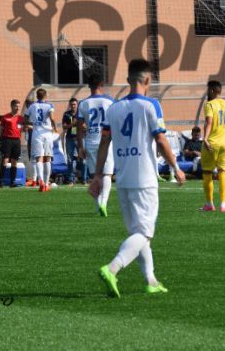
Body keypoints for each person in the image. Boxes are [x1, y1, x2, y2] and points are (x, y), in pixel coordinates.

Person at [91, 59, 185, 298]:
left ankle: (151, 281)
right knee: (144, 234)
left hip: (123, 179)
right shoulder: (151, 105)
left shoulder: (113, 108)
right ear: (148, 80)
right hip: (145, 179)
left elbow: (104, 142)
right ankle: (112, 268)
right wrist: (176, 167)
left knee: (139, 233)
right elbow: (161, 139)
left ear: (128, 80)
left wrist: (97, 175)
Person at [77, 75, 115, 216]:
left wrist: (80, 147)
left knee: (95, 175)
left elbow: (79, 128)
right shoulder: (110, 101)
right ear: (101, 84)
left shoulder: (83, 103)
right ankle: (104, 202)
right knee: (107, 174)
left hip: (91, 141)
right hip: (106, 140)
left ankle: (98, 205)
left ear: (89, 86)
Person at [201, 80, 225, 212]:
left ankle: (209, 204)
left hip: (212, 143)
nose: (207, 92)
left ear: (212, 90)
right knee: (223, 173)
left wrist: (205, 138)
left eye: (208, 90)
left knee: (207, 172)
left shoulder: (209, 104)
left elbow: (209, 122)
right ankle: (223, 205)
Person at [25, 89, 57, 192]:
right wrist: (55, 127)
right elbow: (52, 118)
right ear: (45, 96)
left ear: (37, 96)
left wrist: (34, 123)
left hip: (36, 134)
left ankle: (41, 181)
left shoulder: (32, 106)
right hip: (47, 134)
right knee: (47, 158)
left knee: (39, 158)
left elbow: (25, 119)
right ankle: (46, 184)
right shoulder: (49, 105)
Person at [0, 99, 24, 188]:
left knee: (14, 161)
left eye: (19, 106)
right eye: (16, 106)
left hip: (17, 141)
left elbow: (23, 128)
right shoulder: (5, 117)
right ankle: (1, 181)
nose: (18, 108)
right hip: (7, 140)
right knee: (5, 160)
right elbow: (0, 130)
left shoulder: (20, 118)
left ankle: (12, 182)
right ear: (12, 106)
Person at [62, 97, 79, 185]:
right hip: (70, 138)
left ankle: (84, 179)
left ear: (77, 105)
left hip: (80, 138)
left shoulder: (80, 113)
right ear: (69, 105)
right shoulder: (66, 114)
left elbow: (85, 125)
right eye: (72, 104)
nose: (73, 106)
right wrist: (72, 124)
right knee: (69, 159)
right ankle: (71, 179)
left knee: (83, 159)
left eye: (75, 104)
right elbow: (64, 127)